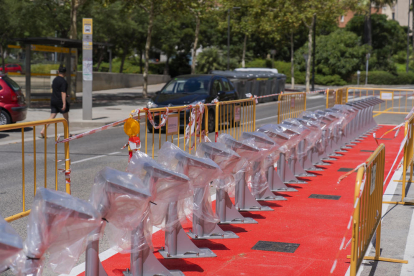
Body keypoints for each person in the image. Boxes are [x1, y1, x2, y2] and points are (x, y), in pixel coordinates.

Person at [40, 66, 70, 138]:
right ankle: (67, 133)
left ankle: (43, 130)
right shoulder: (63, 81)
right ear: (65, 73)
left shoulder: (55, 80)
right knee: (66, 118)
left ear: (58, 72)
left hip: (53, 100)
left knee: (51, 117)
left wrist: (65, 96)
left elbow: (57, 91)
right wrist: (64, 103)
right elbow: (63, 92)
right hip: (60, 101)